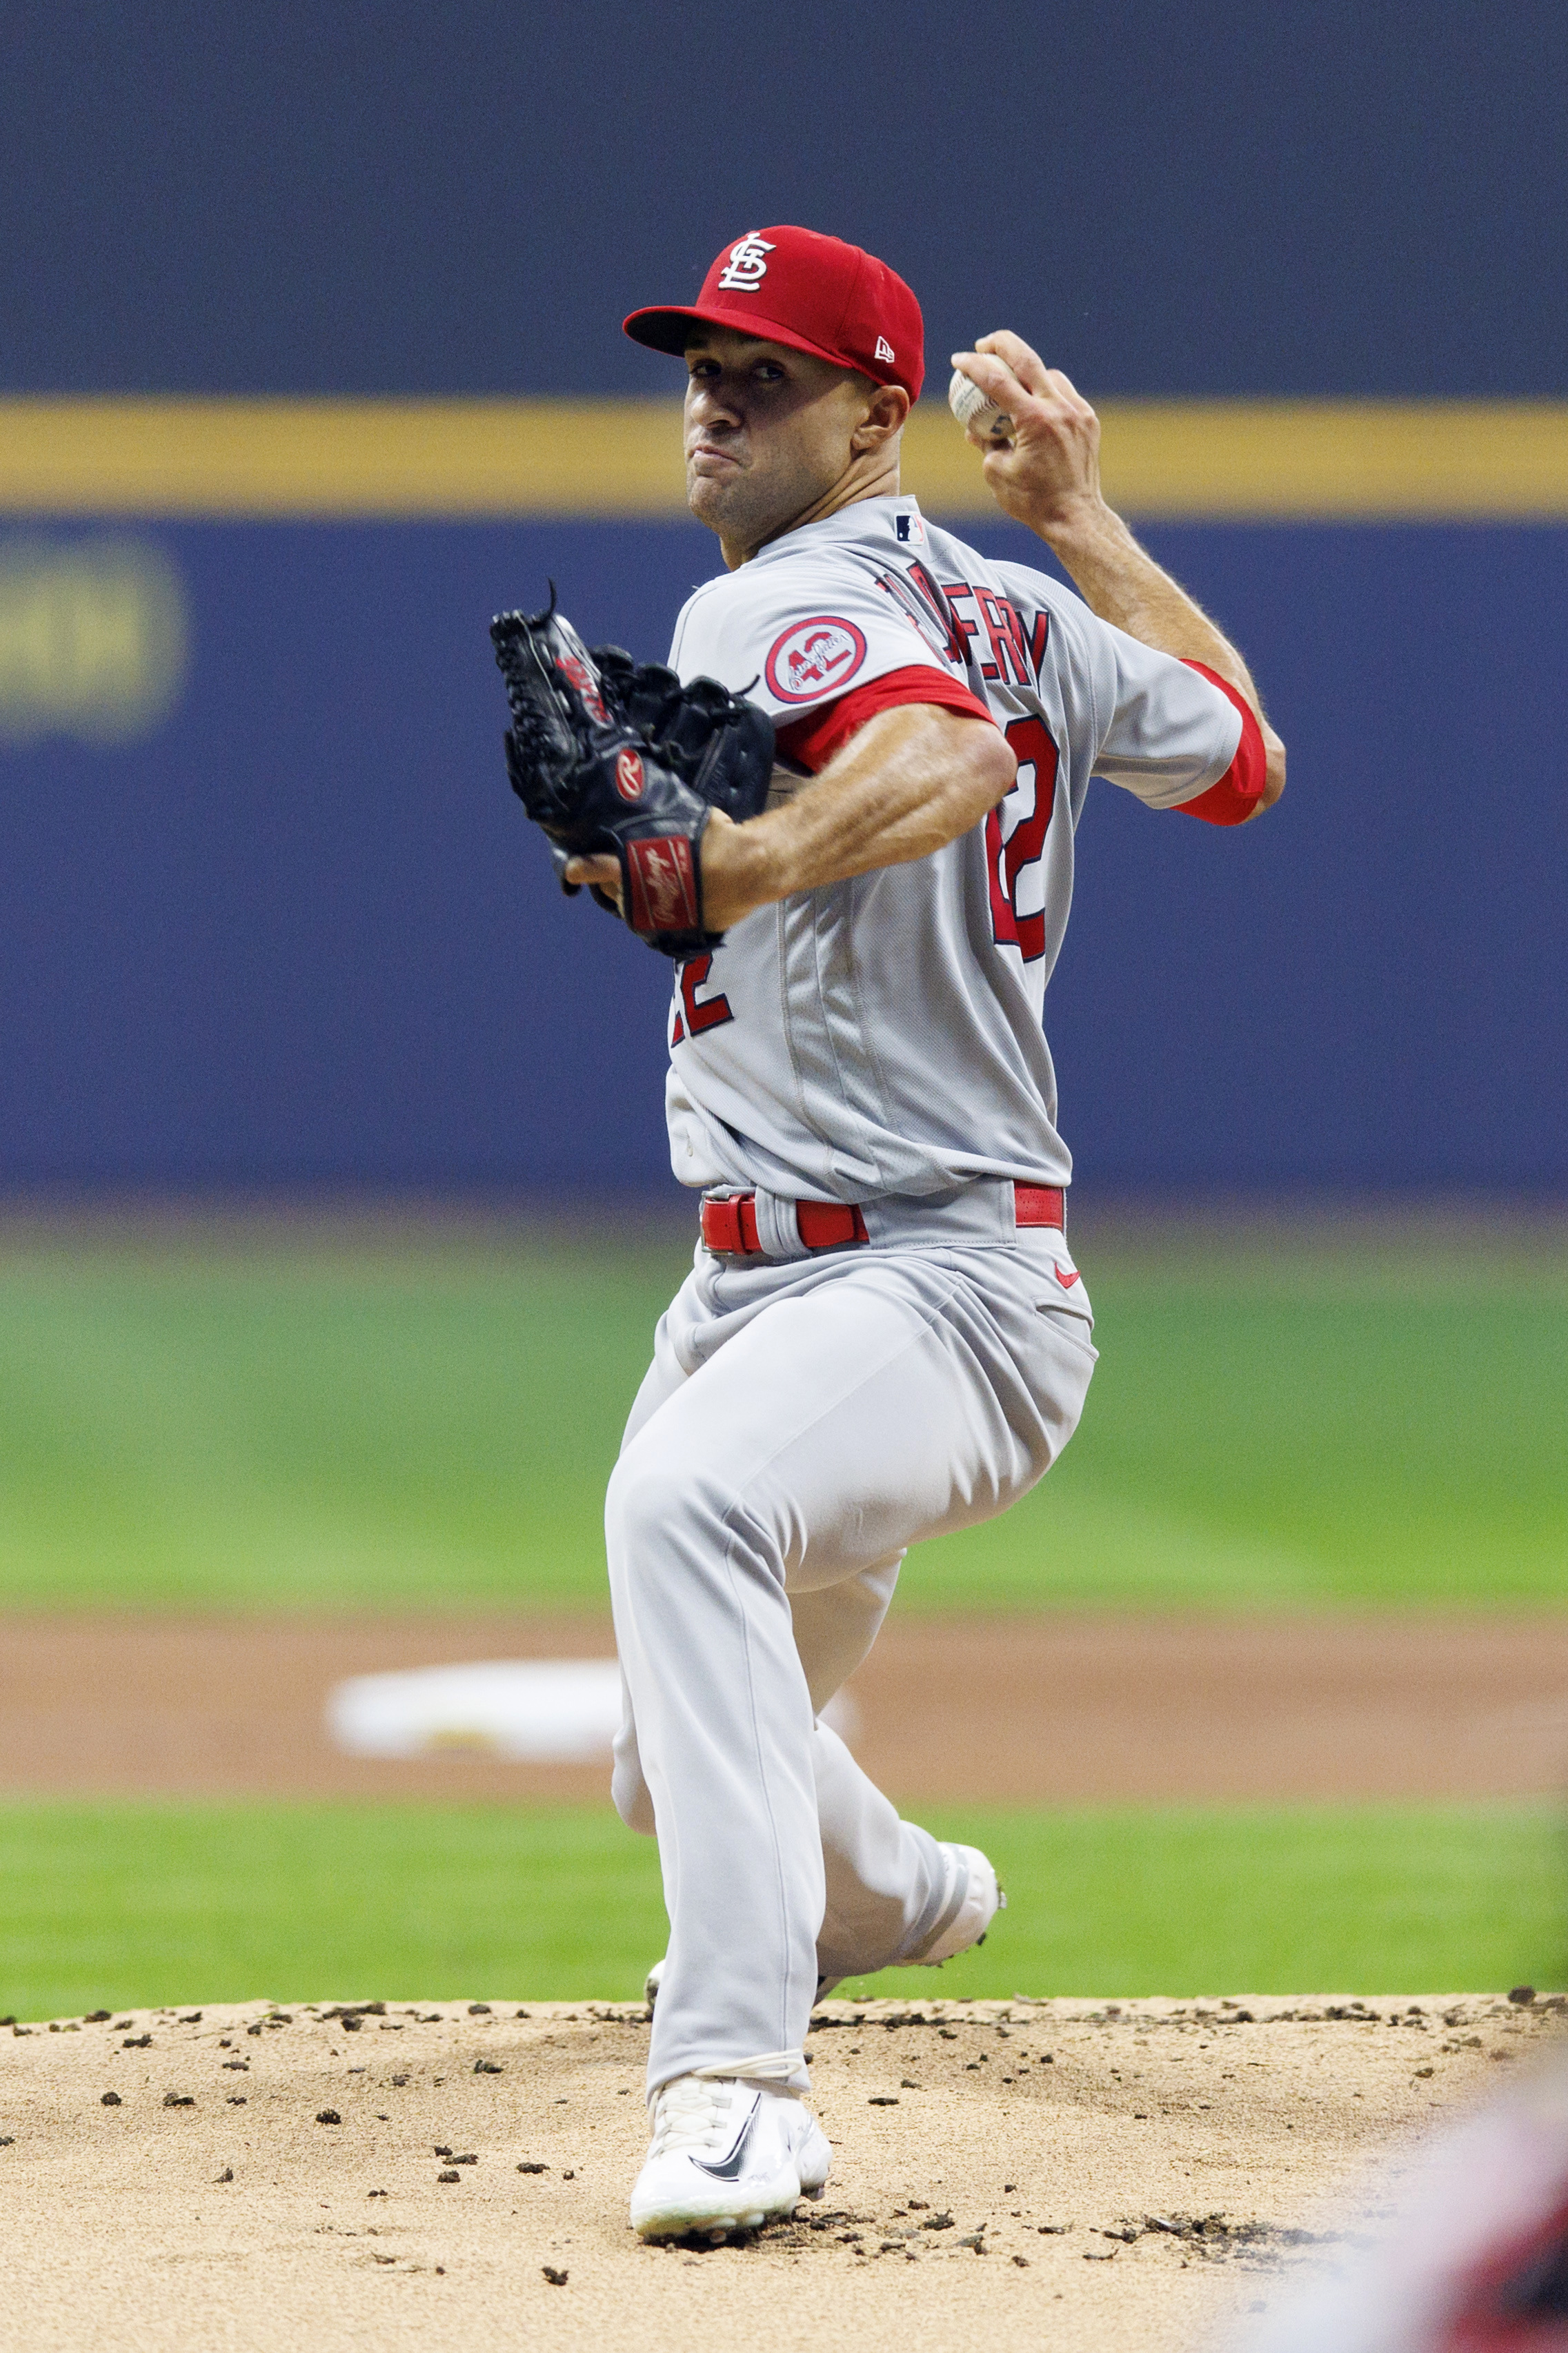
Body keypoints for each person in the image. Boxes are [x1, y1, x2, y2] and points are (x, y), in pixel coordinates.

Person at [568, 224, 1284, 2243]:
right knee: (679, 1757)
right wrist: (1079, 521)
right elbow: (1239, 756)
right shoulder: (1003, 597)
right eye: (700, 363)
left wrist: (732, 862)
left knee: (681, 1517)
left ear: (880, 415)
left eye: (764, 374)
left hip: (927, 1279)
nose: (713, 398)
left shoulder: (786, 604)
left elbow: (941, 757)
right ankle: (889, 1895)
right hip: (772, 1290)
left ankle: (731, 2080)